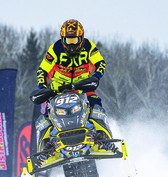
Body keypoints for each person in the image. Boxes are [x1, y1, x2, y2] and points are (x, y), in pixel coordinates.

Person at [35, 19, 113, 166]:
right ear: (63, 38)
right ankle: (47, 147)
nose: (71, 44)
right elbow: (42, 70)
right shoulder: (55, 49)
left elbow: (100, 63)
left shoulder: (89, 46)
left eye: (74, 40)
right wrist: (42, 87)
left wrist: (96, 77)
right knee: (45, 114)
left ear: (81, 38)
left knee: (96, 104)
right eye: (68, 40)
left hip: (83, 86)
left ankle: (103, 138)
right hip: (58, 90)